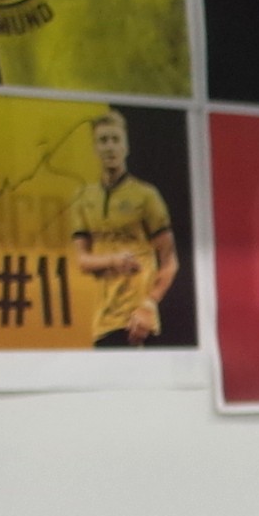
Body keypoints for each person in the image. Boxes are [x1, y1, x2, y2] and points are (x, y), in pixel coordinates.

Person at [70, 106, 174, 346]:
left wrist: (149, 304)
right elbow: (82, 261)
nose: (110, 147)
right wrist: (113, 260)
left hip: (138, 323)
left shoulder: (146, 196)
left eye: (116, 140)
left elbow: (170, 263)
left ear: (126, 146)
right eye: (103, 140)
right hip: (102, 323)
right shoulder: (83, 198)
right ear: (95, 148)